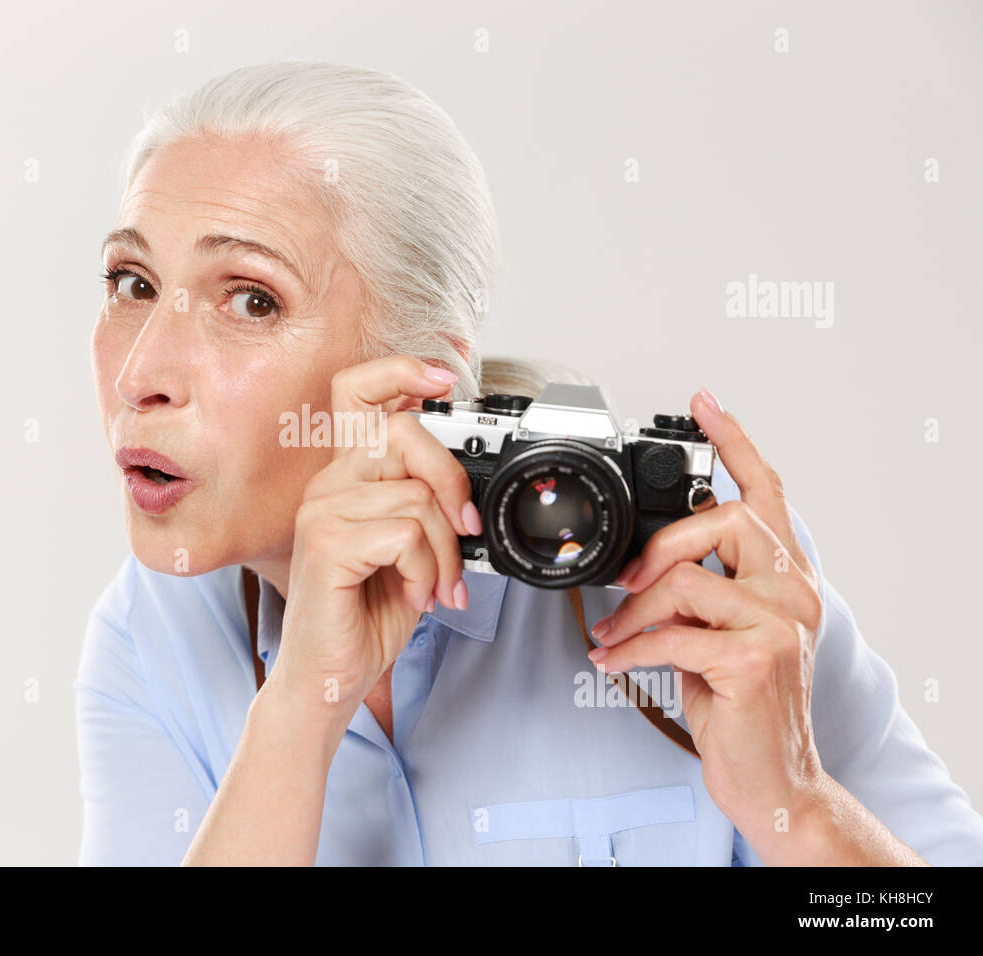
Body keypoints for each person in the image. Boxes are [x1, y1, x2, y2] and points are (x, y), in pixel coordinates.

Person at [74, 60, 983, 865]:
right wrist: (300, 711)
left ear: (419, 382)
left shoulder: (707, 571)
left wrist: (794, 801)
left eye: (251, 301)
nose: (143, 375)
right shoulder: (152, 638)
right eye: (133, 284)